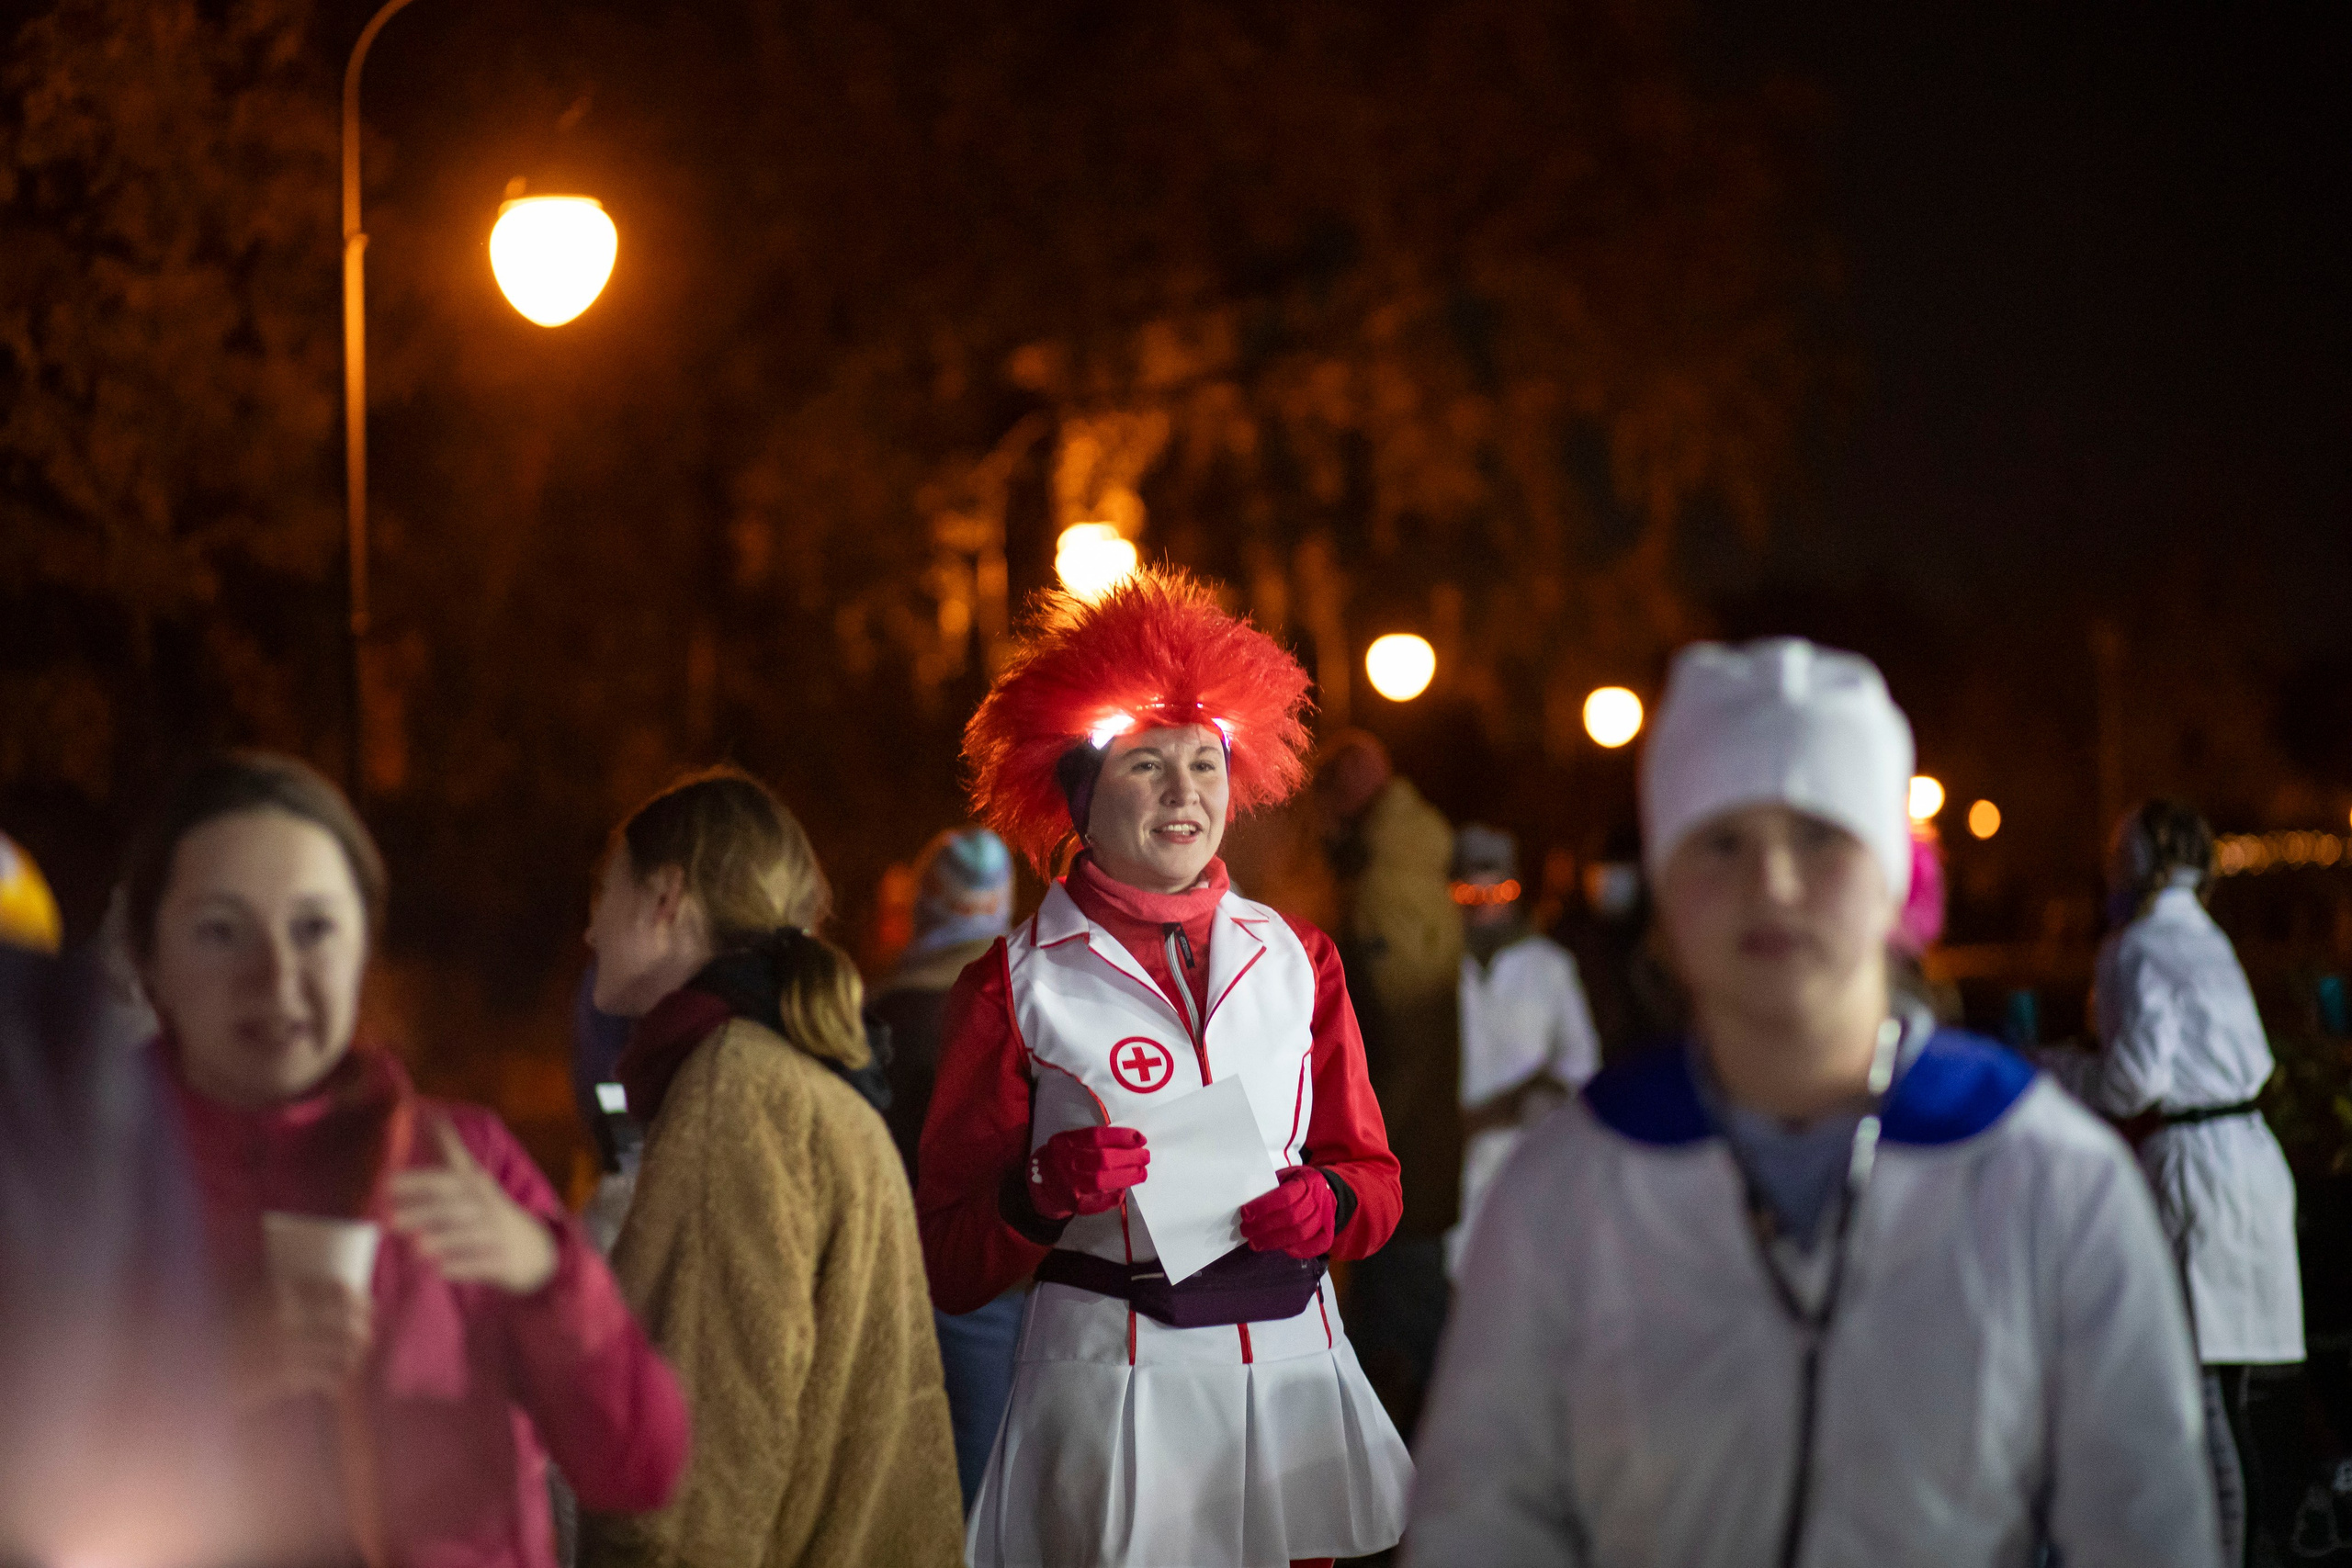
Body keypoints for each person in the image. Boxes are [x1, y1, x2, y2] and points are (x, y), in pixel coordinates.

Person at [1407, 638, 2218, 1567]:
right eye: (1720, 843)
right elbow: (1479, 1525)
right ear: (1663, 896)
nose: (1772, 884)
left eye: (1820, 837)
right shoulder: (1567, 1188)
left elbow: (2146, 1529)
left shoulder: (2044, 1176)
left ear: (1897, 881)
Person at [920, 569, 1412, 1568]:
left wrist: (1328, 1203)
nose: (1186, 792)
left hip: (1287, 1392)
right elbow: (949, 1261)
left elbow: (1377, 1185)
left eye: (1205, 763)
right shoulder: (1008, 986)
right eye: (1148, 765)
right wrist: (1038, 1193)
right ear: (1081, 796)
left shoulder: (1300, 958)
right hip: (1109, 1403)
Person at [127, 750, 687, 1568]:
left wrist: (545, 1276)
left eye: (315, 926)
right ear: (151, 960)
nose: (276, 974)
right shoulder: (88, 1185)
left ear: (363, 945)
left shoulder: (461, 1163)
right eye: (220, 930)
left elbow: (642, 1465)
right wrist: (211, 1374)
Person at [576, 767, 963, 1568]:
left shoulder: (735, 1088)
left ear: (664, 897)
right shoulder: (790, 1073)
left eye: (602, 892)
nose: (589, 933)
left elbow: (703, 1470)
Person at [2062, 800, 2305, 1566]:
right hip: (2252, 1166)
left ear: (2135, 863)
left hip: (2193, 1176)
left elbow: (2132, 1081)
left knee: (2197, 1402)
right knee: (2235, 1400)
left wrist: (2058, 1071)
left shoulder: (2133, 947)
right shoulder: (2208, 939)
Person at [1313, 728, 1462, 1439]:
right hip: (1415, 1146)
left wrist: (1358, 1152)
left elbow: (1394, 1032)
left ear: (1349, 791)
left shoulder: (1380, 889)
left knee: (1403, 1342)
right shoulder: (1413, 864)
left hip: (1392, 1154)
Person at [871, 826, 1024, 1511]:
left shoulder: (875, 1018)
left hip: (895, 1271)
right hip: (998, 1275)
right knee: (987, 1474)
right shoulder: (1025, 1009)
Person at [1445, 824, 1600, 1276]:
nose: (1485, 908)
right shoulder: (1440, 969)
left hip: (1529, 1160)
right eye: (1471, 895)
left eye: (1498, 891)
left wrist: (1523, 1103)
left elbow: (1581, 1064)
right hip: (1450, 1168)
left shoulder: (1549, 967)